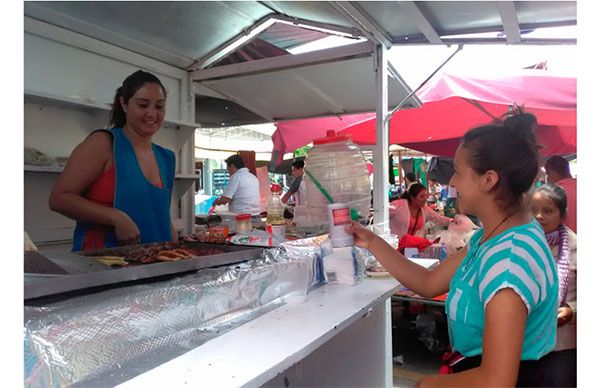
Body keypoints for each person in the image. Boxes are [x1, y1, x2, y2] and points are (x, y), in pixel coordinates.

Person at [348, 110, 559, 386]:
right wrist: (372, 241)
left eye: (458, 172)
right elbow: (428, 282)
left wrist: (427, 384)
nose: (452, 182)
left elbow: (496, 381)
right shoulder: (491, 236)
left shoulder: (510, 261)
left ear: (489, 180)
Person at [49, 70, 177, 250]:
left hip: (155, 264)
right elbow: (59, 199)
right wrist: (115, 217)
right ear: (124, 104)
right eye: (142, 105)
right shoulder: (103, 144)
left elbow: (162, 217)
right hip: (103, 267)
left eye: (159, 106)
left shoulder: (167, 158)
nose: (152, 114)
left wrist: (176, 253)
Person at [530, 183, 576, 387]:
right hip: (525, 341)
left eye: (547, 211)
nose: (539, 216)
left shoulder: (577, 248)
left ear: (562, 214)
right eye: (533, 211)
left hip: (561, 345)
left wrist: (572, 311)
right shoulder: (523, 243)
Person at [389, 183, 454, 238]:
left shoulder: (425, 209)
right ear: (412, 197)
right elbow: (383, 213)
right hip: (395, 248)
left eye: (426, 196)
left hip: (413, 248)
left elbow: (439, 219)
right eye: (422, 196)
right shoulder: (399, 206)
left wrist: (453, 221)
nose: (425, 199)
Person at [544, 155, 577, 232]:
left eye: (547, 175)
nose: (547, 178)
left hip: (564, 241)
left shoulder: (552, 193)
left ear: (553, 174)